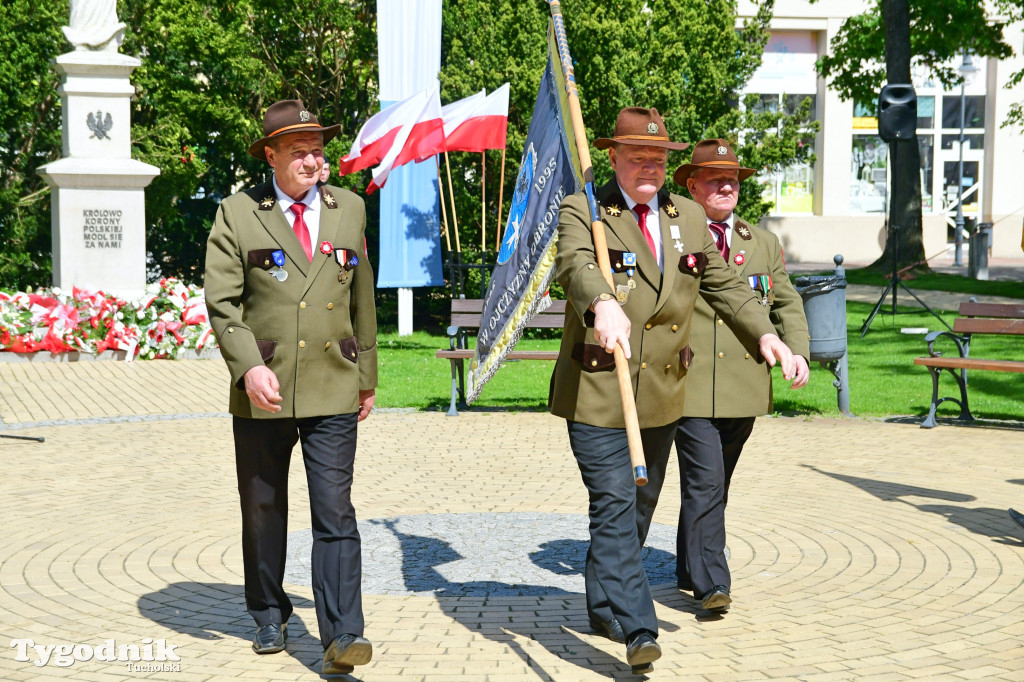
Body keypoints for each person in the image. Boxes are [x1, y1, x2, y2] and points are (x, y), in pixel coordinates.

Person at [549, 108, 798, 674]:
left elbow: (727, 285)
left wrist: (767, 336)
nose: (649, 167)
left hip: (661, 393)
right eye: (637, 156)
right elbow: (574, 265)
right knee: (614, 503)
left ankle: (600, 598)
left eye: (658, 158)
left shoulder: (684, 215)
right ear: (612, 157)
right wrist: (601, 301)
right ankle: (640, 628)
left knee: (637, 508)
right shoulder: (584, 210)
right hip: (598, 389)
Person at [204, 99, 378, 677]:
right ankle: (268, 612)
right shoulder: (237, 214)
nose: (311, 159)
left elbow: (362, 297)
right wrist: (247, 366)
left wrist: (368, 376)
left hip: (333, 383)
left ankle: (343, 632)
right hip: (265, 386)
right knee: (264, 506)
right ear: (272, 155)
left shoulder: (348, 207)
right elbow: (223, 305)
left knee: (336, 511)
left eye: (318, 149)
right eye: (298, 150)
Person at [670, 139, 810, 614]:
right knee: (706, 481)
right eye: (714, 178)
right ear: (692, 185)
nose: (727, 185)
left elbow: (787, 302)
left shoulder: (761, 243)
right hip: (689, 382)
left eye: (733, 179)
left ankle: (690, 566)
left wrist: (798, 351)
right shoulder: (676, 236)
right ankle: (713, 582)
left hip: (746, 386)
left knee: (716, 483)